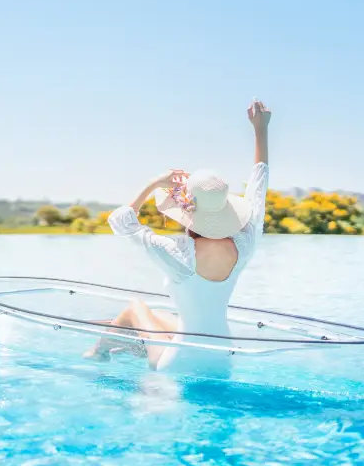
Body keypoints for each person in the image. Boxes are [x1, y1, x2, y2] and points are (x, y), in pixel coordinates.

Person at [83, 99, 271, 376]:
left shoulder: (178, 254)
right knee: (165, 317)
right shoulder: (245, 243)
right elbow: (258, 188)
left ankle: (97, 352)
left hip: (179, 363)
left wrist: (154, 184)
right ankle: (125, 344)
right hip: (222, 360)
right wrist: (261, 130)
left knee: (136, 308)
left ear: (187, 213)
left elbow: (121, 222)